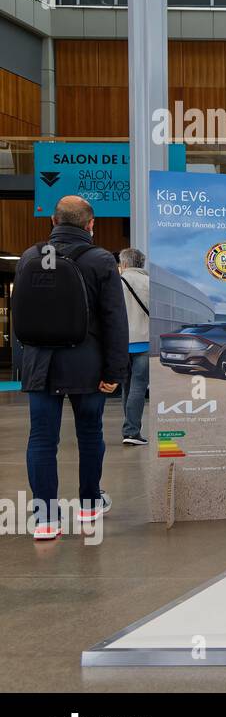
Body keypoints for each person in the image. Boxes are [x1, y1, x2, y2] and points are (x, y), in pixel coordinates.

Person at [17, 196, 127, 540]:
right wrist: (114, 372)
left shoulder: (30, 257)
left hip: (40, 367)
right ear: (90, 225)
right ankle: (90, 504)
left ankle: (46, 520)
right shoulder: (100, 260)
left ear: (53, 221)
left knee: (42, 439)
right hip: (87, 365)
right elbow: (114, 321)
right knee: (90, 434)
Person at [118, 248, 150, 446]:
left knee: (127, 387)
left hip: (122, 343)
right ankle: (132, 431)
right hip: (145, 341)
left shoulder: (116, 282)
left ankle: (130, 429)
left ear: (125, 264)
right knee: (139, 386)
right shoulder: (150, 284)